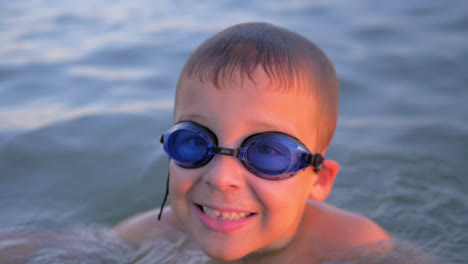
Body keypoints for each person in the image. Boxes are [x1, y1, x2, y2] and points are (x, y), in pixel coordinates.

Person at [115, 22, 392, 263]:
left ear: (320, 180)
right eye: (194, 142)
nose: (221, 178)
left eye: (268, 152)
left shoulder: (357, 247)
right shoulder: (144, 237)